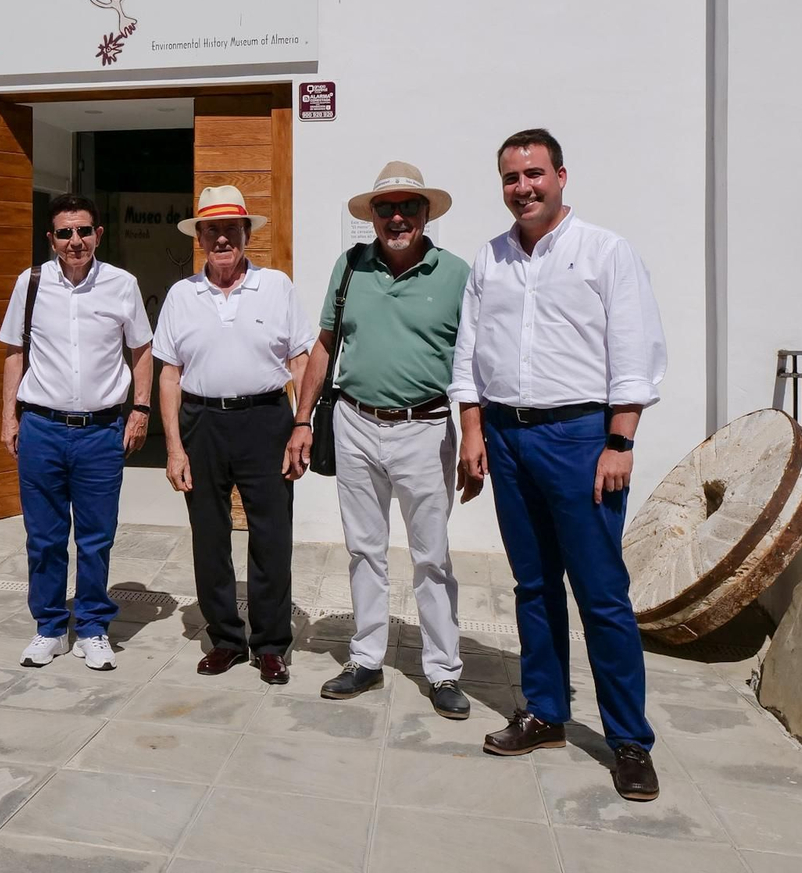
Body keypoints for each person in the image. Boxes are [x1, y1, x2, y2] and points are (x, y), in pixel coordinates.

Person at [451, 128, 667, 802]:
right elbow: (469, 352)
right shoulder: (489, 260)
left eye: (534, 174)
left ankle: (629, 739)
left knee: (601, 594)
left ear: (562, 176)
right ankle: (545, 713)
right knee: (533, 586)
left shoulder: (605, 253)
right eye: (512, 178)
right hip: (509, 440)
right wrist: (472, 429)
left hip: (580, 438)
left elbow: (635, 351)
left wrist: (620, 442)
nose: (523, 188)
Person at [286, 161, 472, 720]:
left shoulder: (456, 274)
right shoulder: (349, 268)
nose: (397, 217)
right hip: (356, 423)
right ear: (372, 216)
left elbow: (473, 362)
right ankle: (366, 657)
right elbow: (323, 346)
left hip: (426, 426)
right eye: (386, 208)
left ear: (425, 214)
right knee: (364, 549)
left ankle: (442, 670)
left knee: (431, 556)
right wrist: (302, 419)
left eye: (408, 207)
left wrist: (474, 436)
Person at [154, 185, 315, 684]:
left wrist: (300, 424)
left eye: (231, 229)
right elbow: (168, 374)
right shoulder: (182, 295)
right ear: (199, 237)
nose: (222, 238)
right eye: (211, 230)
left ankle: (270, 643)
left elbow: (302, 358)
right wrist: (174, 446)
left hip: (266, 419)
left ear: (246, 234)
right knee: (209, 534)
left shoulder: (277, 286)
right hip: (201, 423)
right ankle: (225, 638)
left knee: (271, 534)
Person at [0, 194, 152, 671]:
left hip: (100, 431)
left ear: (98, 235)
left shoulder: (122, 285)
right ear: (51, 239)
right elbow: (13, 353)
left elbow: (142, 350)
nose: (75, 241)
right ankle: (48, 627)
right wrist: (8, 416)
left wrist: (140, 410)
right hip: (42, 427)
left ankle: (91, 626)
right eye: (65, 233)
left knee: (95, 536)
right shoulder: (31, 283)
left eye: (84, 231)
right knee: (43, 536)